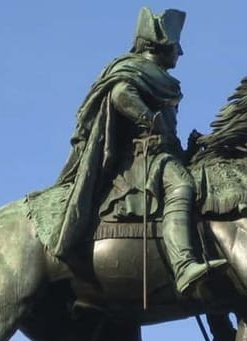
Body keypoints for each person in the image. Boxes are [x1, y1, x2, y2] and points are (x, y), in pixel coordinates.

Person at [53, 7, 226, 294]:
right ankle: (183, 265)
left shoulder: (158, 78)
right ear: (158, 46)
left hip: (165, 154)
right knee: (182, 186)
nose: (181, 52)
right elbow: (120, 94)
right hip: (141, 159)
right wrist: (150, 120)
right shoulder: (133, 70)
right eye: (176, 46)